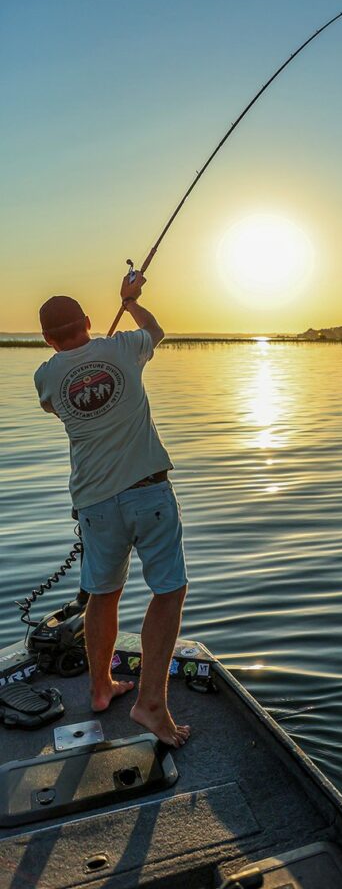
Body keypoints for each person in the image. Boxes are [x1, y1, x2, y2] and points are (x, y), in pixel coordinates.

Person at [34, 273, 190, 747]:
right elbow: (156, 333)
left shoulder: (45, 375)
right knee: (168, 591)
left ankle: (101, 688)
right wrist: (132, 301)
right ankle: (150, 704)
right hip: (147, 493)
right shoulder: (123, 347)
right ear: (86, 321)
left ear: (46, 338)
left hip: (95, 504)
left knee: (103, 593)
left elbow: (55, 408)